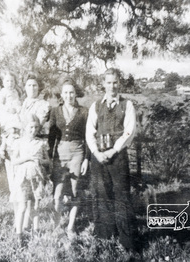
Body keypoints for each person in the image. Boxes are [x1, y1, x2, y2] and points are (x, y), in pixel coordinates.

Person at [85, 68, 136, 250]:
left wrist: (113, 150)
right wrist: (97, 153)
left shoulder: (127, 105)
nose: (112, 86)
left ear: (118, 83)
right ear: (103, 84)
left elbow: (129, 132)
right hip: (98, 157)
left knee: (121, 196)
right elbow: (89, 133)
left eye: (115, 82)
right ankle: (105, 237)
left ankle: (127, 242)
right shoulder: (96, 106)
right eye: (108, 82)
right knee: (101, 194)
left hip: (118, 157)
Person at [48, 76, 89, 237]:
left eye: (71, 92)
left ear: (76, 93)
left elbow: (88, 138)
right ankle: (57, 225)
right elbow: (51, 138)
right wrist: (50, 159)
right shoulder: (55, 111)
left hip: (78, 152)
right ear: (61, 94)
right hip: (60, 152)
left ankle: (71, 227)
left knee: (74, 190)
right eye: (65, 92)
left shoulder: (84, 112)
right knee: (57, 193)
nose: (69, 96)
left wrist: (86, 158)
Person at [11, 114, 50, 244]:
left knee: (35, 206)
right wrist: (27, 158)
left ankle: (36, 231)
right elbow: (14, 161)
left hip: (37, 178)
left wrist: (41, 161)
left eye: (36, 127)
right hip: (23, 178)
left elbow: (48, 161)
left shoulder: (41, 143)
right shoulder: (19, 142)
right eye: (31, 127)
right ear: (25, 127)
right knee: (22, 206)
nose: (33, 130)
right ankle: (19, 234)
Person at [0, 120, 22, 227]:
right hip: (11, 164)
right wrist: (3, 150)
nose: (14, 134)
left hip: (21, 164)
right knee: (14, 189)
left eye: (16, 131)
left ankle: (23, 215)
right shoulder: (6, 139)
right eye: (12, 132)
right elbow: (1, 152)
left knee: (21, 189)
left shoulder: (22, 140)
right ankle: (17, 215)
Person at [19, 72, 50, 138]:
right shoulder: (21, 103)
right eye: (29, 85)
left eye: (34, 85)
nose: (32, 88)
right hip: (20, 140)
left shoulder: (44, 105)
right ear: (25, 87)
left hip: (36, 139)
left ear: (39, 87)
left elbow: (38, 126)